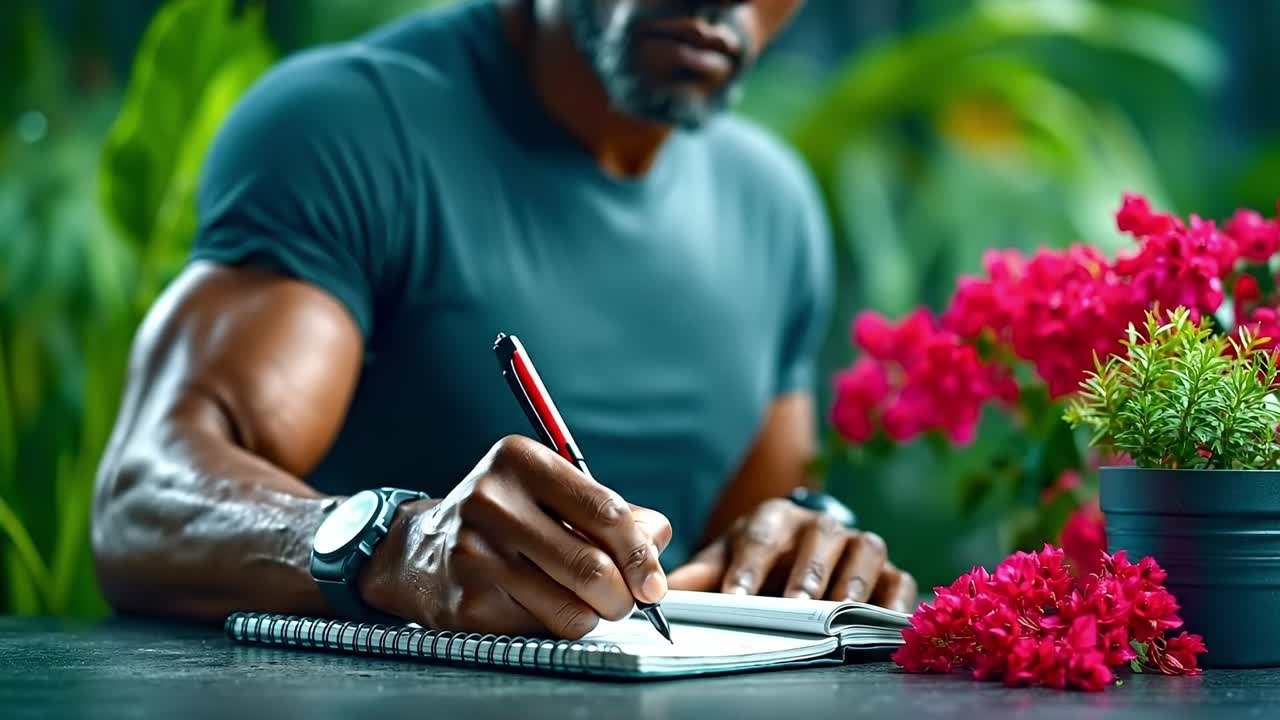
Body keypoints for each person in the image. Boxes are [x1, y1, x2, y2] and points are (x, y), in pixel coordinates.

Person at [91, 0, 917, 640]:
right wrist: (397, 547)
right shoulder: (344, 127)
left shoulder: (774, 205)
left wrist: (808, 549)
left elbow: (751, 548)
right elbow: (144, 497)